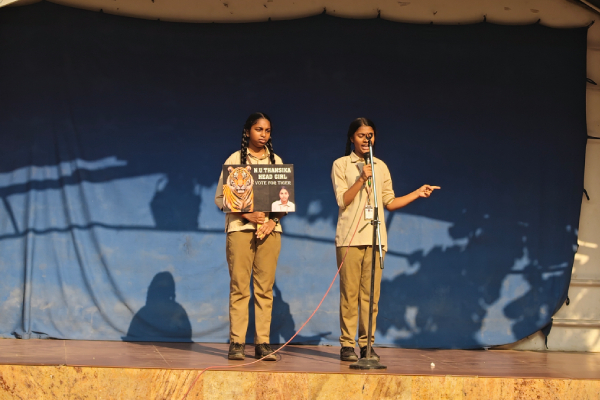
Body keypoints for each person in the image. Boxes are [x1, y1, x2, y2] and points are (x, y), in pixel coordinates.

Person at [331, 117, 439, 362]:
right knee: (349, 295)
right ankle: (347, 345)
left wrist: (417, 193)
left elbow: (389, 202)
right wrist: (361, 178)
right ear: (351, 138)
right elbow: (343, 200)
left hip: (375, 238)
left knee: (371, 296)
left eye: (370, 135)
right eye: (361, 135)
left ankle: (367, 344)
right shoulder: (341, 164)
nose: (366, 139)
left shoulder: (380, 166)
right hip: (349, 238)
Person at [215, 112, 287, 361]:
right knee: (239, 287)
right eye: (258, 129)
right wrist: (247, 214)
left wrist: (272, 221)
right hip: (240, 230)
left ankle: (262, 343)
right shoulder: (235, 159)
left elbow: (284, 201)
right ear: (247, 132)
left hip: (270, 232)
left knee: (265, 289)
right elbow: (220, 199)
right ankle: (237, 343)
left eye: (267, 130)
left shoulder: (276, 161)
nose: (263, 135)